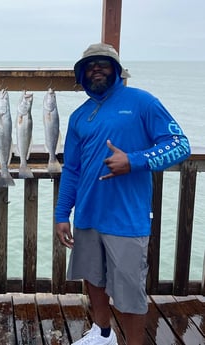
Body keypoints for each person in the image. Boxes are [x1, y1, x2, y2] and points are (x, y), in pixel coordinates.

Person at [55, 42, 190, 345]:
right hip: (88, 216)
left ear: (116, 70)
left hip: (127, 220)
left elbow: (180, 144)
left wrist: (134, 160)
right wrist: (62, 213)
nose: (97, 69)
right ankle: (102, 334)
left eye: (103, 63)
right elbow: (72, 169)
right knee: (93, 280)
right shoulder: (79, 116)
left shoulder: (142, 102)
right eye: (90, 65)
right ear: (82, 74)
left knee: (130, 295)